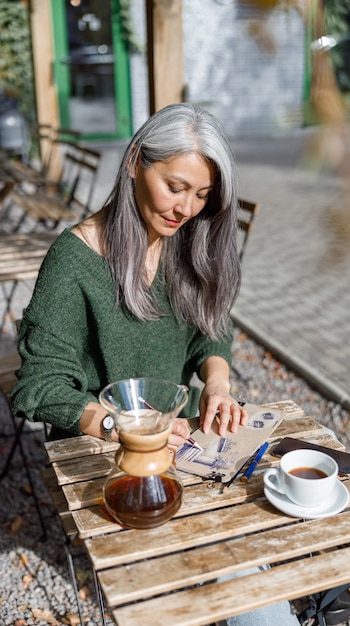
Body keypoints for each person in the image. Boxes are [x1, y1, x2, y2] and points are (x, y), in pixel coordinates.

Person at [11, 103, 300, 626]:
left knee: (256, 565)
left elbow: (211, 328)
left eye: (202, 195)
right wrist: (116, 424)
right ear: (134, 163)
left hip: (182, 440)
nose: (187, 208)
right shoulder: (73, 261)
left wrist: (216, 381)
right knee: (220, 577)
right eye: (175, 186)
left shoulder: (186, 241)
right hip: (104, 456)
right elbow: (39, 384)